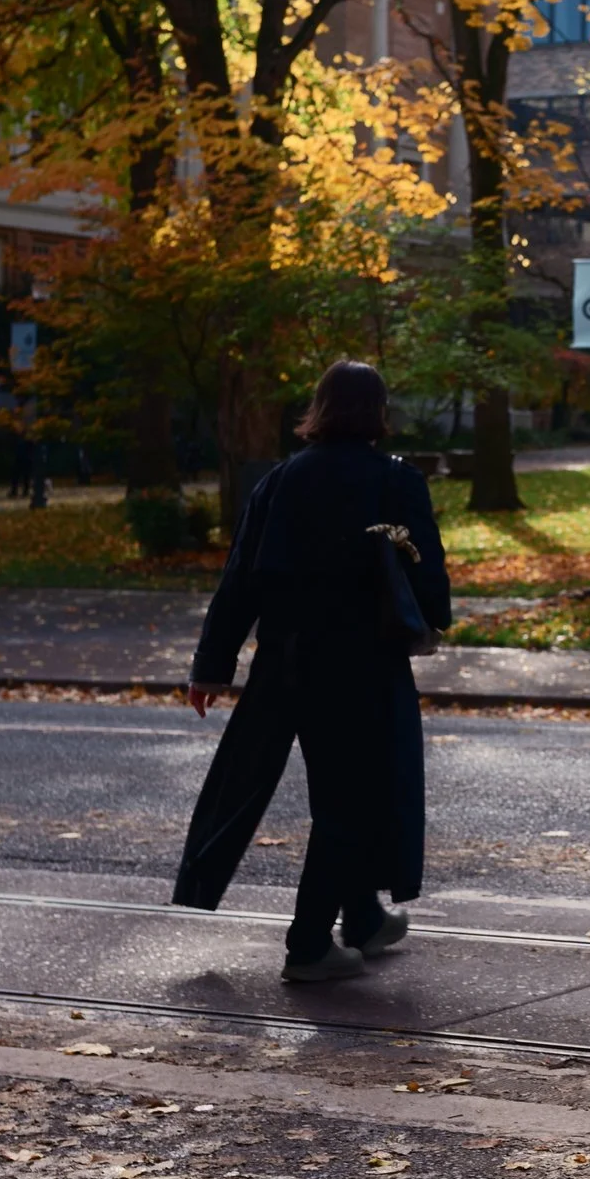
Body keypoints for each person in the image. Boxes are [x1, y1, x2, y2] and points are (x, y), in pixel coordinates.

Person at [172, 360, 452, 983]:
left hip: (283, 663)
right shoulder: (395, 482)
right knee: (353, 797)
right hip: (361, 666)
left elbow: (239, 579)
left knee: (322, 791)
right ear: (379, 411)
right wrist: (429, 615)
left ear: (319, 408)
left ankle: (362, 918)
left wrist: (210, 667)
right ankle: (308, 943)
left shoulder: (280, 481)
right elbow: (430, 582)